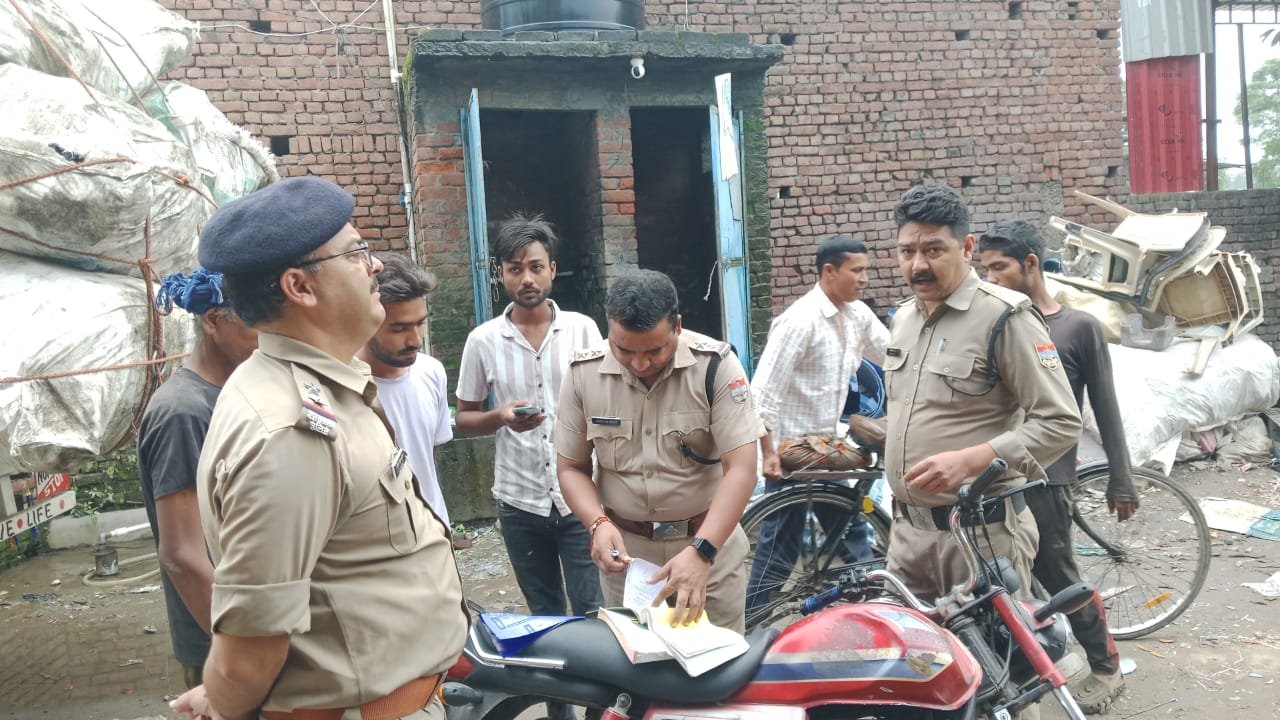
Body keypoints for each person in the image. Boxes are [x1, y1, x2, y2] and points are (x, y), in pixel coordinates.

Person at [170, 176, 466, 720]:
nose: (374, 266)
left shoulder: (320, 385)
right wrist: (225, 699)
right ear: (299, 287)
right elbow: (249, 650)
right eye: (356, 253)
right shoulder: (290, 433)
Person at [883, 182, 1081, 606]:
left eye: (933, 250)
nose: (918, 265)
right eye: (906, 252)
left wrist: (971, 460)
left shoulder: (1004, 317)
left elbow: (1061, 421)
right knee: (907, 649)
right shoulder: (903, 319)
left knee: (994, 647)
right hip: (906, 539)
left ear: (967, 247)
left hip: (981, 537)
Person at [979, 219, 1137, 714]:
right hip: (997, 477)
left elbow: (1105, 407)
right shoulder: (993, 323)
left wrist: (1122, 478)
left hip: (1048, 478)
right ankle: (1025, 668)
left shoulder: (1076, 328)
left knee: (1058, 575)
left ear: (1030, 263)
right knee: (1005, 581)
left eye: (999, 268)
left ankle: (1106, 666)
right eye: (984, 270)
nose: (990, 279)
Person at [554, 269, 766, 632]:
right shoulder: (583, 374)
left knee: (718, 659)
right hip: (628, 560)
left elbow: (742, 469)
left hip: (709, 549)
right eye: (623, 350)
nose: (639, 364)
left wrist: (702, 552)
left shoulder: (715, 367)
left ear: (677, 326)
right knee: (634, 658)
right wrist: (597, 523)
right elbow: (571, 467)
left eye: (654, 350)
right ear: (609, 330)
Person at [455, 213, 604, 618]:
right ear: (500, 274)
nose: (526, 279)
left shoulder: (583, 330)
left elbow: (609, 402)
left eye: (536, 267)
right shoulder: (483, 340)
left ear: (552, 270)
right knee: (544, 613)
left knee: (593, 610)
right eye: (515, 269)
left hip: (581, 497)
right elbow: (464, 419)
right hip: (519, 500)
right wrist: (500, 417)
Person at [746, 234, 889, 616]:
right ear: (829, 272)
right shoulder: (799, 321)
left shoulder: (857, 315)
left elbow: (893, 354)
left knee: (852, 531)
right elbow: (763, 395)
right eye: (857, 271)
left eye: (866, 271)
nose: (865, 279)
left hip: (827, 450)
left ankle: (880, 608)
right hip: (792, 454)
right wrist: (768, 454)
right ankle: (752, 621)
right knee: (780, 547)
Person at [137, 268, 258, 689]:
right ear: (211, 320)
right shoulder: (183, 412)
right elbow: (182, 555)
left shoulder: (236, 393)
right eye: (254, 319)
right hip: (223, 645)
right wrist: (242, 650)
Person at [358, 253, 454, 526]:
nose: (416, 340)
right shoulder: (341, 387)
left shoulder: (432, 372)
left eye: (420, 323)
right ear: (367, 319)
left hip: (435, 531)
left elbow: (427, 459)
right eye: (399, 328)